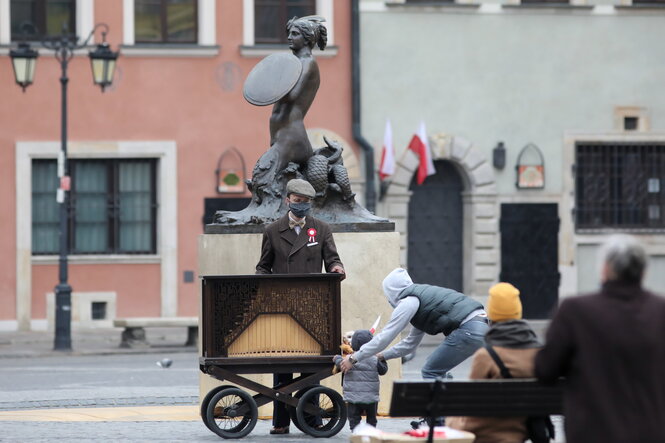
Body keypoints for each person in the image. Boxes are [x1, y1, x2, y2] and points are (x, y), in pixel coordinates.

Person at [535, 234, 665, 443]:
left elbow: (545, 370)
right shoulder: (660, 311)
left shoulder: (574, 311)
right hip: (651, 432)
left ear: (605, 269)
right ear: (644, 272)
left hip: (592, 432)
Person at [255, 178, 345, 435]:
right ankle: (281, 421)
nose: (302, 206)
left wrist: (338, 268)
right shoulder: (273, 230)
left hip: (312, 306)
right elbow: (263, 266)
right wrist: (265, 286)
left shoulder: (322, 229)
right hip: (282, 306)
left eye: (306, 203)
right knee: (283, 363)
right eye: (298, 202)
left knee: (311, 365)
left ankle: (311, 420)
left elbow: (333, 260)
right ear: (288, 201)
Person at [339, 268, 489, 381]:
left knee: (431, 371)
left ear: (392, 292)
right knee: (439, 371)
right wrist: (382, 356)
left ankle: (438, 418)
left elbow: (386, 336)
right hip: (481, 327)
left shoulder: (408, 303)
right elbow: (410, 344)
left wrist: (354, 358)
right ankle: (444, 412)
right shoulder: (420, 303)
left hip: (468, 329)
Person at [447, 283, 542, 443]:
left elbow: (472, 401)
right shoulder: (539, 354)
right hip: (520, 430)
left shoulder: (486, 356)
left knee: (450, 418)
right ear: (518, 310)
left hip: (484, 432)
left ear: (493, 312)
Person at [333, 330, 388, 431]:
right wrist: (382, 358)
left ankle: (356, 434)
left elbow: (340, 365)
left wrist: (336, 358)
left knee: (354, 419)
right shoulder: (375, 359)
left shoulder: (349, 359)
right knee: (371, 420)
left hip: (353, 398)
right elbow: (383, 370)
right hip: (371, 398)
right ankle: (371, 435)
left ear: (353, 344)